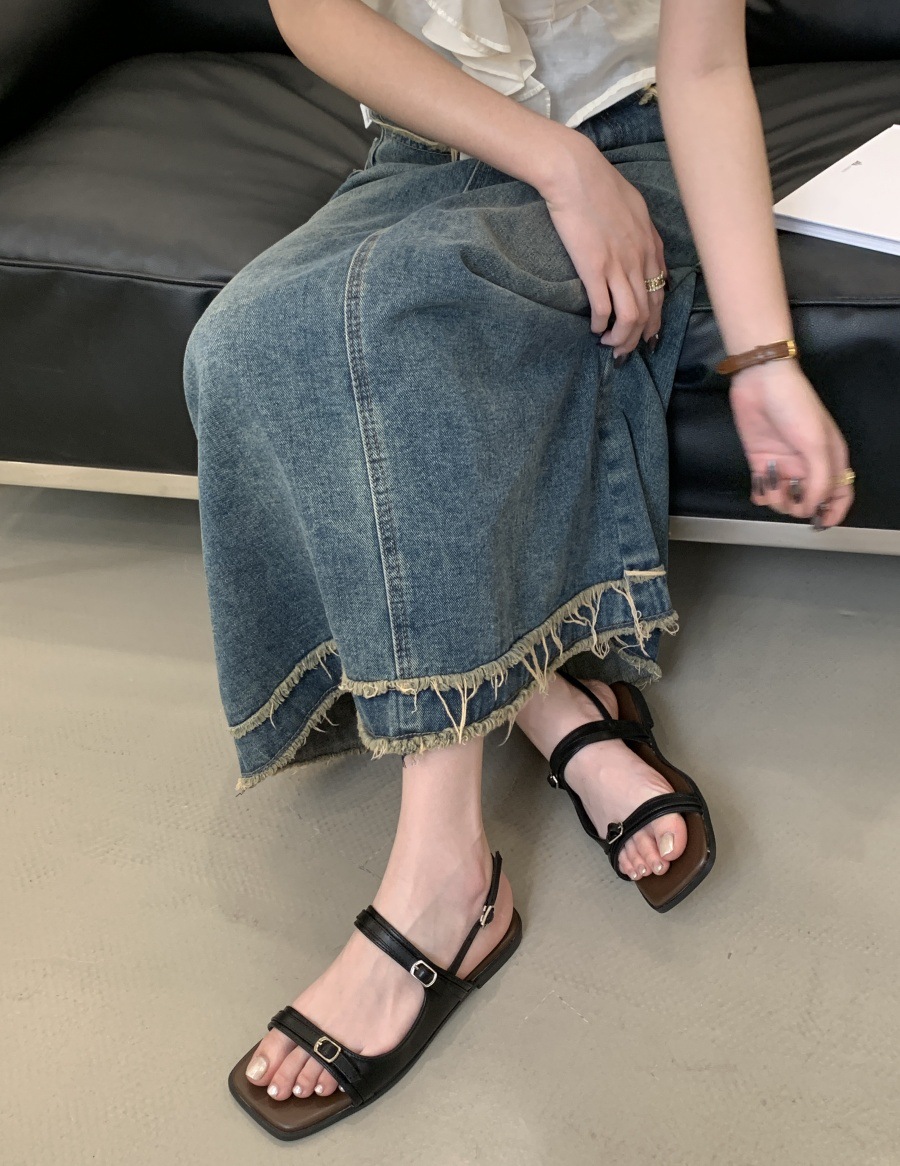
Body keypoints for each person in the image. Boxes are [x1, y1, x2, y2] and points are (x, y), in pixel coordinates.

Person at [183, 0, 855, 1140]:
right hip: (425, 149)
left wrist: (762, 361)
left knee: (401, 326)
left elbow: (702, 71)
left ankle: (446, 880)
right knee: (235, 343)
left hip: (636, 144)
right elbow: (315, 13)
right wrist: (552, 163)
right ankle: (551, 700)